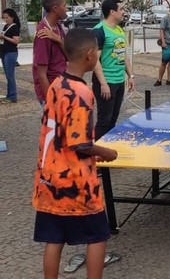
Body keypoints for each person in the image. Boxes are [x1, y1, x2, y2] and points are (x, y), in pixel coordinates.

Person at [32, 28, 118, 279]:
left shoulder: (57, 83)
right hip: (76, 183)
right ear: (90, 55)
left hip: (48, 178)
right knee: (98, 236)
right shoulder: (82, 93)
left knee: (54, 239)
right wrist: (106, 152)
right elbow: (80, 144)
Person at [92, 0, 135, 141]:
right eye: (121, 9)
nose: (124, 12)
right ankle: (96, 155)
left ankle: (107, 150)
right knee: (104, 120)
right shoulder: (99, 30)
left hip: (119, 81)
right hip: (106, 82)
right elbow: (94, 60)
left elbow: (123, 54)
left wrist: (131, 76)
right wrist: (103, 84)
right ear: (112, 12)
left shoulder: (119, 30)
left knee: (113, 120)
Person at [32, 0, 68, 106]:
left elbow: (69, 54)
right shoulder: (43, 34)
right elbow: (41, 74)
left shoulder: (57, 27)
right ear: (55, 8)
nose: (66, 9)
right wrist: (51, 101)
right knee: (53, 124)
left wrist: (58, 39)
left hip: (61, 86)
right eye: (64, 6)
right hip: (51, 93)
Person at [0, 8, 20, 103]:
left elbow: (16, 41)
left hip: (11, 52)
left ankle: (12, 96)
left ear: (12, 17)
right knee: (7, 75)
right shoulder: (6, 26)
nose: (5, 19)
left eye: (7, 17)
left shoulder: (14, 27)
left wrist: (4, 37)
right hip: (4, 52)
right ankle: (9, 94)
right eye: (4, 18)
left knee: (10, 75)